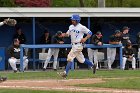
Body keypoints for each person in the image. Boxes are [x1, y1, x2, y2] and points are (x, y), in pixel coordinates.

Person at [58, 14, 96, 78]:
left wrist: (85, 38)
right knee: (82, 60)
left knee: (70, 57)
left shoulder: (81, 27)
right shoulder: (71, 26)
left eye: (73, 20)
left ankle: (65, 73)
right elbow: (68, 34)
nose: (72, 21)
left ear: (77, 20)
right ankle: (93, 65)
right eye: (72, 20)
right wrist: (63, 35)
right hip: (73, 45)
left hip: (78, 45)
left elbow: (90, 33)